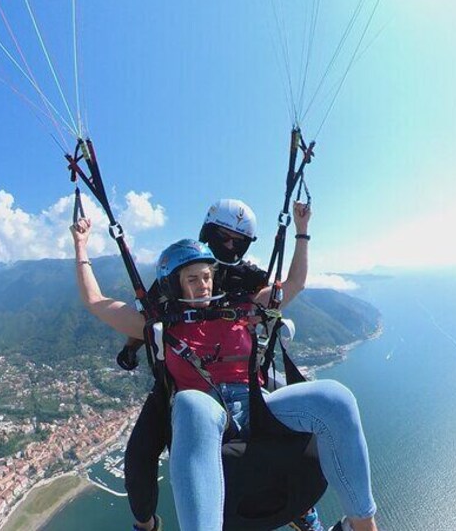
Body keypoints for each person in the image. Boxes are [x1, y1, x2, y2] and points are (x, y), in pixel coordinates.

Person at [71, 220, 378, 531]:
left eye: (207, 277)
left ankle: (362, 524)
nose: (203, 284)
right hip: (209, 412)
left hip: (257, 404)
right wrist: (81, 245)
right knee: (190, 404)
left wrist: (302, 229)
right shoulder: (160, 326)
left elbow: (295, 283)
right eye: (192, 278)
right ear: (173, 285)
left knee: (335, 398)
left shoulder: (242, 309)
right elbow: (96, 302)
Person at [119, 199, 321, 531]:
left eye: (236, 241)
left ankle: (302, 508)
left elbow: (290, 287)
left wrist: (302, 232)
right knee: (139, 457)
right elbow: (149, 318)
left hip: (239, 374)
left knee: (296, 428)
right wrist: (131, 347)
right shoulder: (181, 268)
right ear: (207, 233)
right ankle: (146, 524)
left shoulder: (249, 278)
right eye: (221, 237)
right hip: (183, 379)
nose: (228, 246)